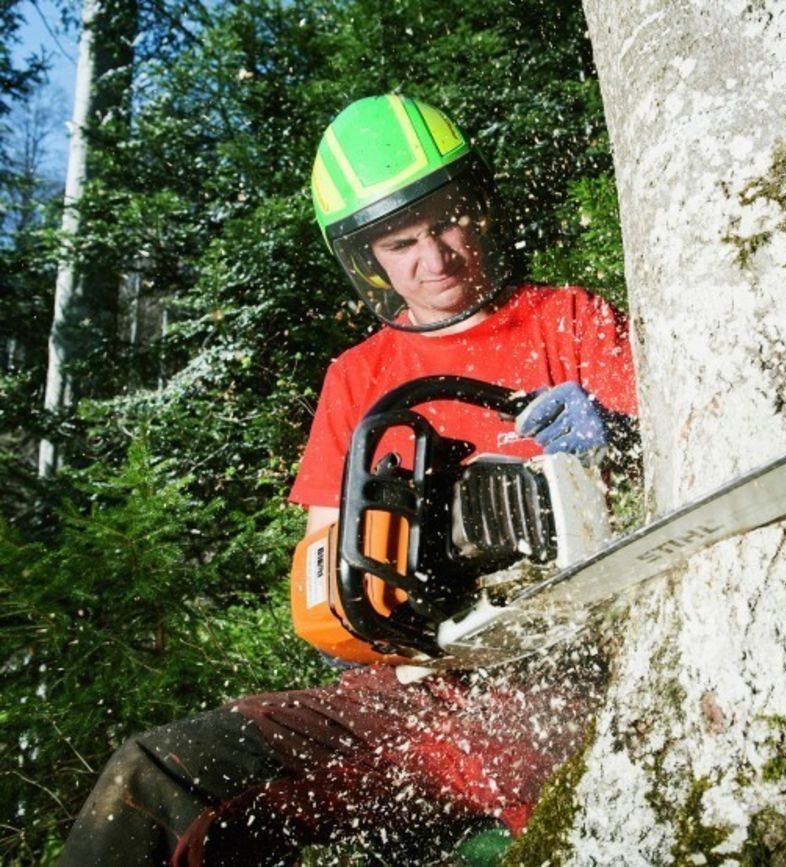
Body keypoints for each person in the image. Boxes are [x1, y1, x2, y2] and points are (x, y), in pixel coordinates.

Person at [59, 94, 637, 866]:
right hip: (408, 687)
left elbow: (689, 464)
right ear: (369, 258)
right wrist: (394, 599)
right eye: (402, 243)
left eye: (445, 224)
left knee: (540, 780)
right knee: (157, 779)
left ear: (478, 211)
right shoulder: (358, 377)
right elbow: (327, 573)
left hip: (557, 678)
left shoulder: (568, 319)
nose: (434, 258)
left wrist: (624, 438)